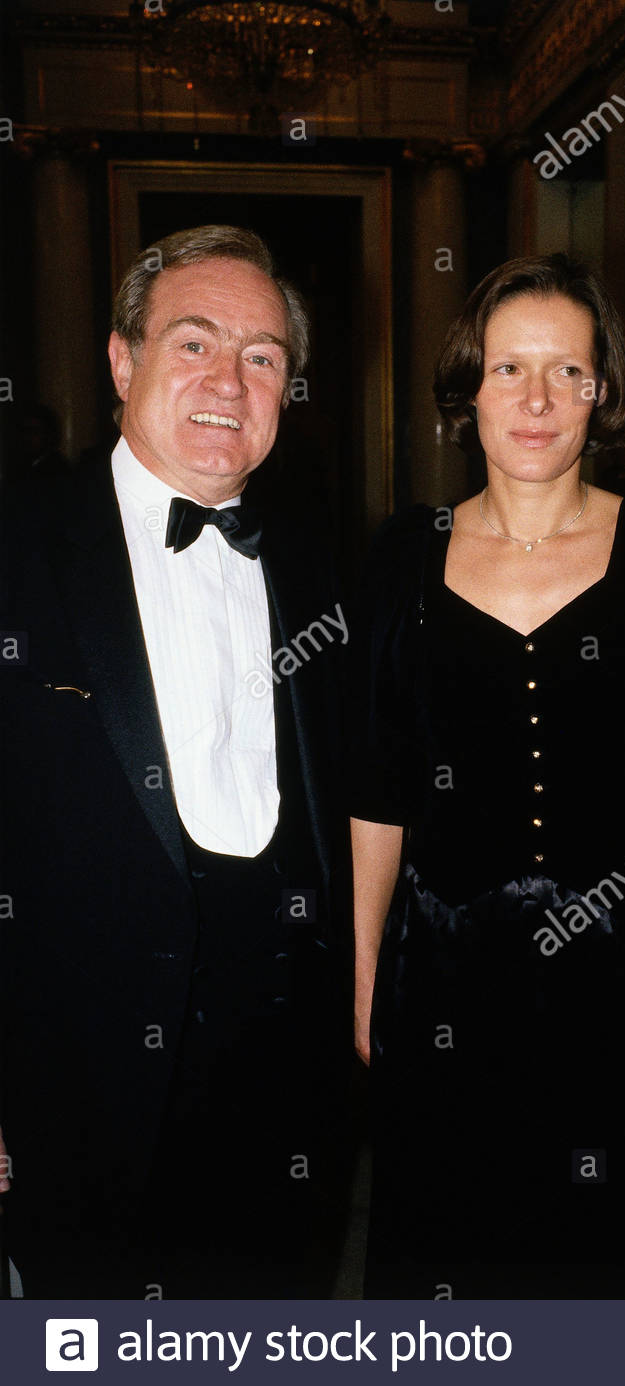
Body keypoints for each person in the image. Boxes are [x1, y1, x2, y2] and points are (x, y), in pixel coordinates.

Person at [349, 254, 625, 1299]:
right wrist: (362, 986)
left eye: (566, 371)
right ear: (468, 389)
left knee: (620, 1288)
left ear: (600, 389)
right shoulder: (400, 560)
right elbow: (377, 800)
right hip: (446, 991)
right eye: (508, 369)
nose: (536, 401)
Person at [0, 225, 349, 1299]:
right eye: (194, 343)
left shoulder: (324, 564)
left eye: (262, 357)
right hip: (77, 1088)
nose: (228, 382)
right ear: (122, 360)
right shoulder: (18, 543)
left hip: (284, 1093)